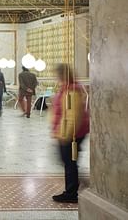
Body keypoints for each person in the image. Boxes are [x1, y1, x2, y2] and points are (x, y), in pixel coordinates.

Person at [51, 64, 89, 203]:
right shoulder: (66, 88)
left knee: (69, 161)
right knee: (68, 160)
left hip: (72, 133)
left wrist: (66, 135)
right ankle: (76, 184)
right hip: (67, 131)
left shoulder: (72, 90)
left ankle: (71, 193)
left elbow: (73, 115)